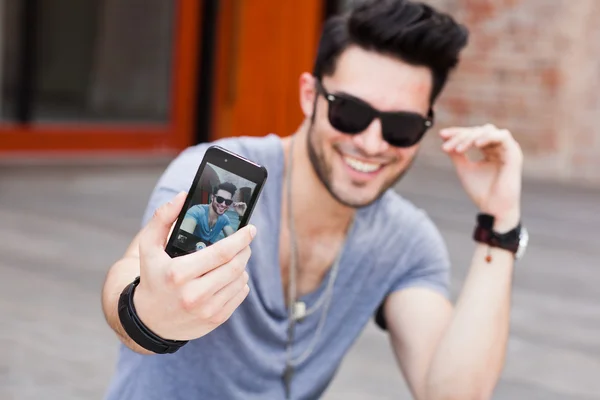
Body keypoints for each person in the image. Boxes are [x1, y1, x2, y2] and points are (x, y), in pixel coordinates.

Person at [101, 1, 528, 399]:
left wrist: (500, 223)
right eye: (350, 113)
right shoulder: (219, 174)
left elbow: (453, 393)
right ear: (310, 96)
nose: (371, 142)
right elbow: (130, 279)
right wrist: (150, 314)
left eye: (402, 126)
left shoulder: (405, 239)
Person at [180, 182, 247, 245]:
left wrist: (242, 216)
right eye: (220, 199)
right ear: (212, 197)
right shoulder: (196, 211)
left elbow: (235, 243)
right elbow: (181, 240)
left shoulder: (224, 219)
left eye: (227, 202)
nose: (223, 204)